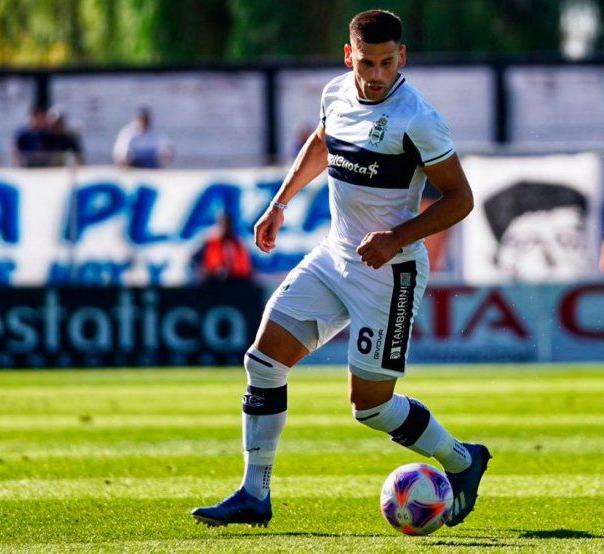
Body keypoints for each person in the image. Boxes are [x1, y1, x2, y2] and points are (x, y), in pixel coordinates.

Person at [191, 10, 490, 529]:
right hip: (335, 255)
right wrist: (280, 202)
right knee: (264, 360)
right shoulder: (335, 94)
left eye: (387, 63)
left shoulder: (417, 117)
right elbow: (323, 143)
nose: (376, 75)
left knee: (370, 407)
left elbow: (460, 198)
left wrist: (398, 236)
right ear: (349, 55)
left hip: (389, 272)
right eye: (367, 62)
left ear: (402, 58)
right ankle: (253, 495)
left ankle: (463, 459)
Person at [191, 213, 253, 282]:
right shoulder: (209, 242)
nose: (226, 227)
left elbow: (247, 267)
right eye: (223, 224)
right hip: (213, 281)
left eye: (228, 224)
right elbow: (194, 259)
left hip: (236, 282)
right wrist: (206, 271)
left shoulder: (238, 244)